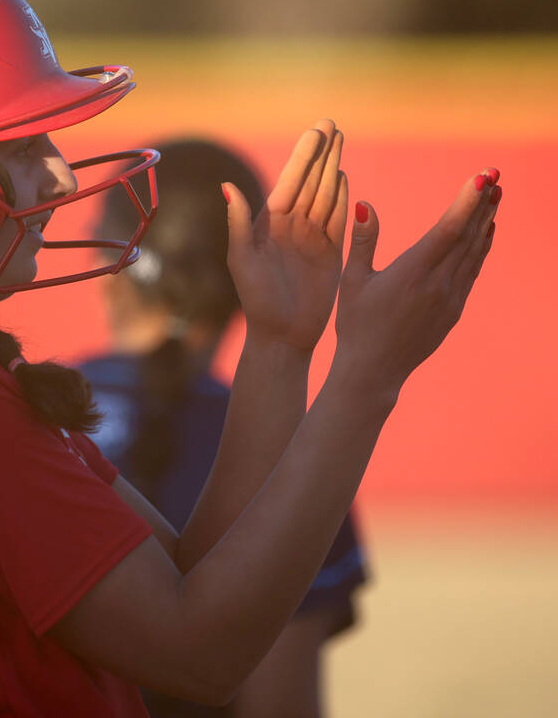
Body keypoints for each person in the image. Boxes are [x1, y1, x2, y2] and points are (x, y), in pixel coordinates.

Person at [0, 0, 502, 717]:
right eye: (22, 144)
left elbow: (184, 576)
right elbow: (201, 658)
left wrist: (279, 345)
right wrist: (367, 377)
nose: (62, 178)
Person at [81, 139, 366, 718]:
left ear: (110, 265)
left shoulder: (17, 413)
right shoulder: (297, 459)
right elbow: (280, 705)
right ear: (245, 281)